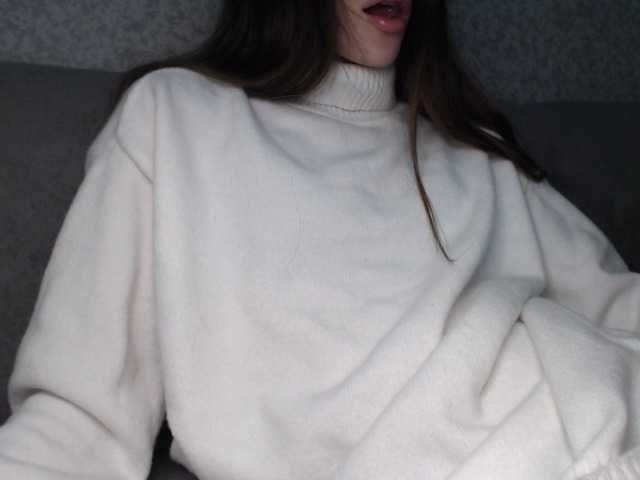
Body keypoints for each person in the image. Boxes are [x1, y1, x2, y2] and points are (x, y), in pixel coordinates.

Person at [0, 0, 638, 478]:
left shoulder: (477, 152)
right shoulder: (175, 118)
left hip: (593, 433)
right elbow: (78, 417)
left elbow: (622, 308)